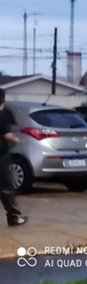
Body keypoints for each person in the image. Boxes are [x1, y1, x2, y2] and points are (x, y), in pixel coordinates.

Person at [0, 88, 27, 226]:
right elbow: (7, 135)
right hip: (1, 157)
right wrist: (17, 141)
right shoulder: (3, 115)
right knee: (6, 187)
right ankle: (14, 217)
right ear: (3, 100)